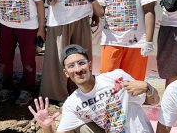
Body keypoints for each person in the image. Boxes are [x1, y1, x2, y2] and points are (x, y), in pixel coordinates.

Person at [29, 44, 160, 133]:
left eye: (81, 63)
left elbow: (154, 102)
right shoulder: (72, 104)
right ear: (66, 73)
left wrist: (149, 88)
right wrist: (46, 126)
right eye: (71, 66)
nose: (78, 69)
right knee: (79, 127)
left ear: (90, 65)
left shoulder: (117, 77)